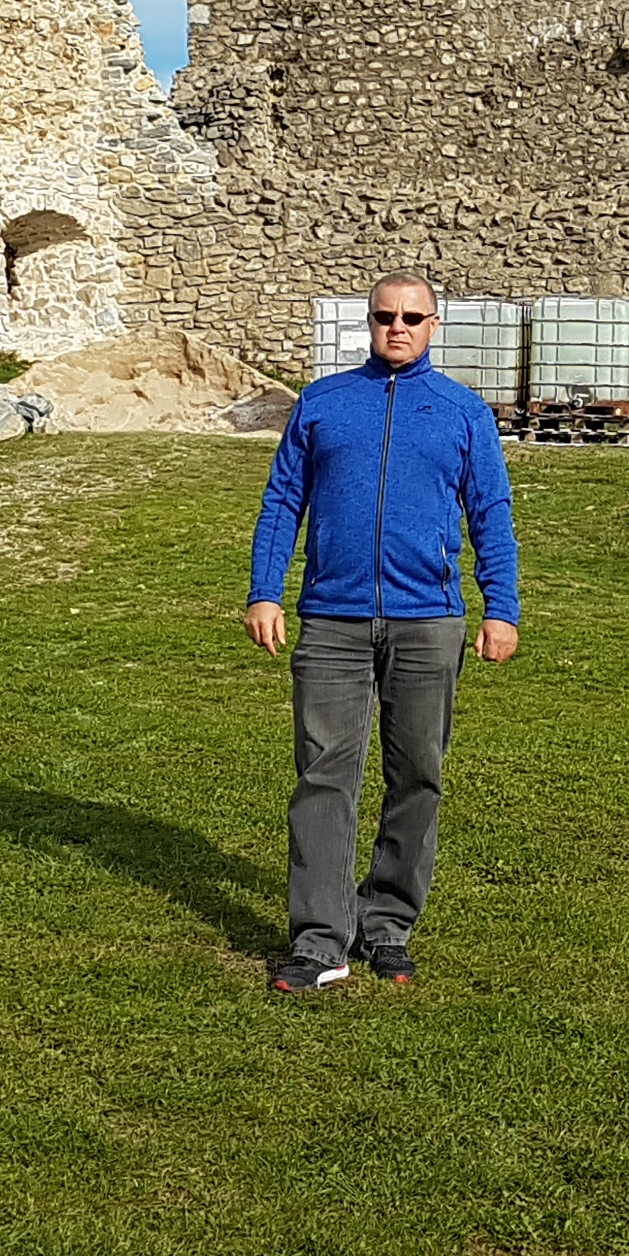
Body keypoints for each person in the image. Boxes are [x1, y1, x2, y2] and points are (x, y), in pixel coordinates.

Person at [244, 273, 522, 992]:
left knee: (418, 775)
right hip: (331, 619)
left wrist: (501, 607)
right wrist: (264, 592)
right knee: (323, 776)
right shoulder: (323, 402)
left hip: (428, 621)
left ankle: (388, 924)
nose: (398, 327)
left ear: (434, 325)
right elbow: (282, 502)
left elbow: (490, 512)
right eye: (385, 316)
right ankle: (320, 940)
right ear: (368, 322)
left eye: (412, 317)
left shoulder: (461, 412)